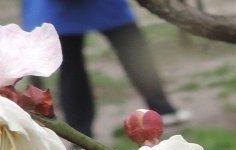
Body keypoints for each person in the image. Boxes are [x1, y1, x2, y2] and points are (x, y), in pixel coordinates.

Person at [22, 0, 191, 137]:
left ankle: (80, 133)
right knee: (73, 67)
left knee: (130, 48)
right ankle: (80, 132)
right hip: (59, 8)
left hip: (85, 7)